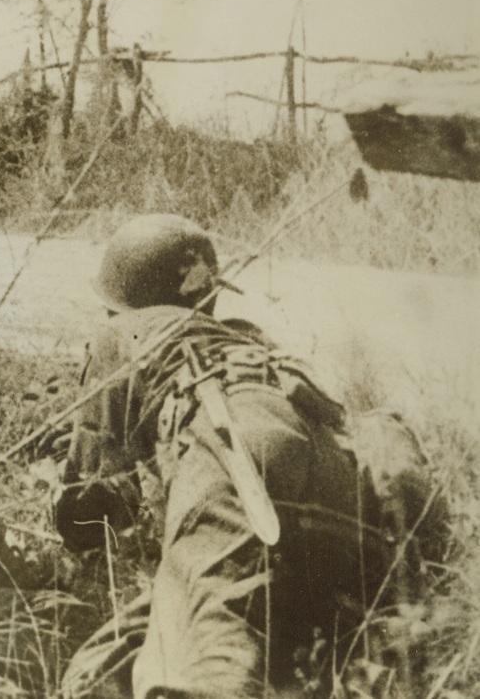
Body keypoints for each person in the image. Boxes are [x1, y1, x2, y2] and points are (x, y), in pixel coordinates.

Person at [54, 213, 393, 699]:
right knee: (119, 659)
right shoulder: (245, 341)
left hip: (235, 458)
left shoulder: (122, 333)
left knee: (210, 668)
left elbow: (88, 513)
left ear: (119, 301)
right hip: (332, 471)